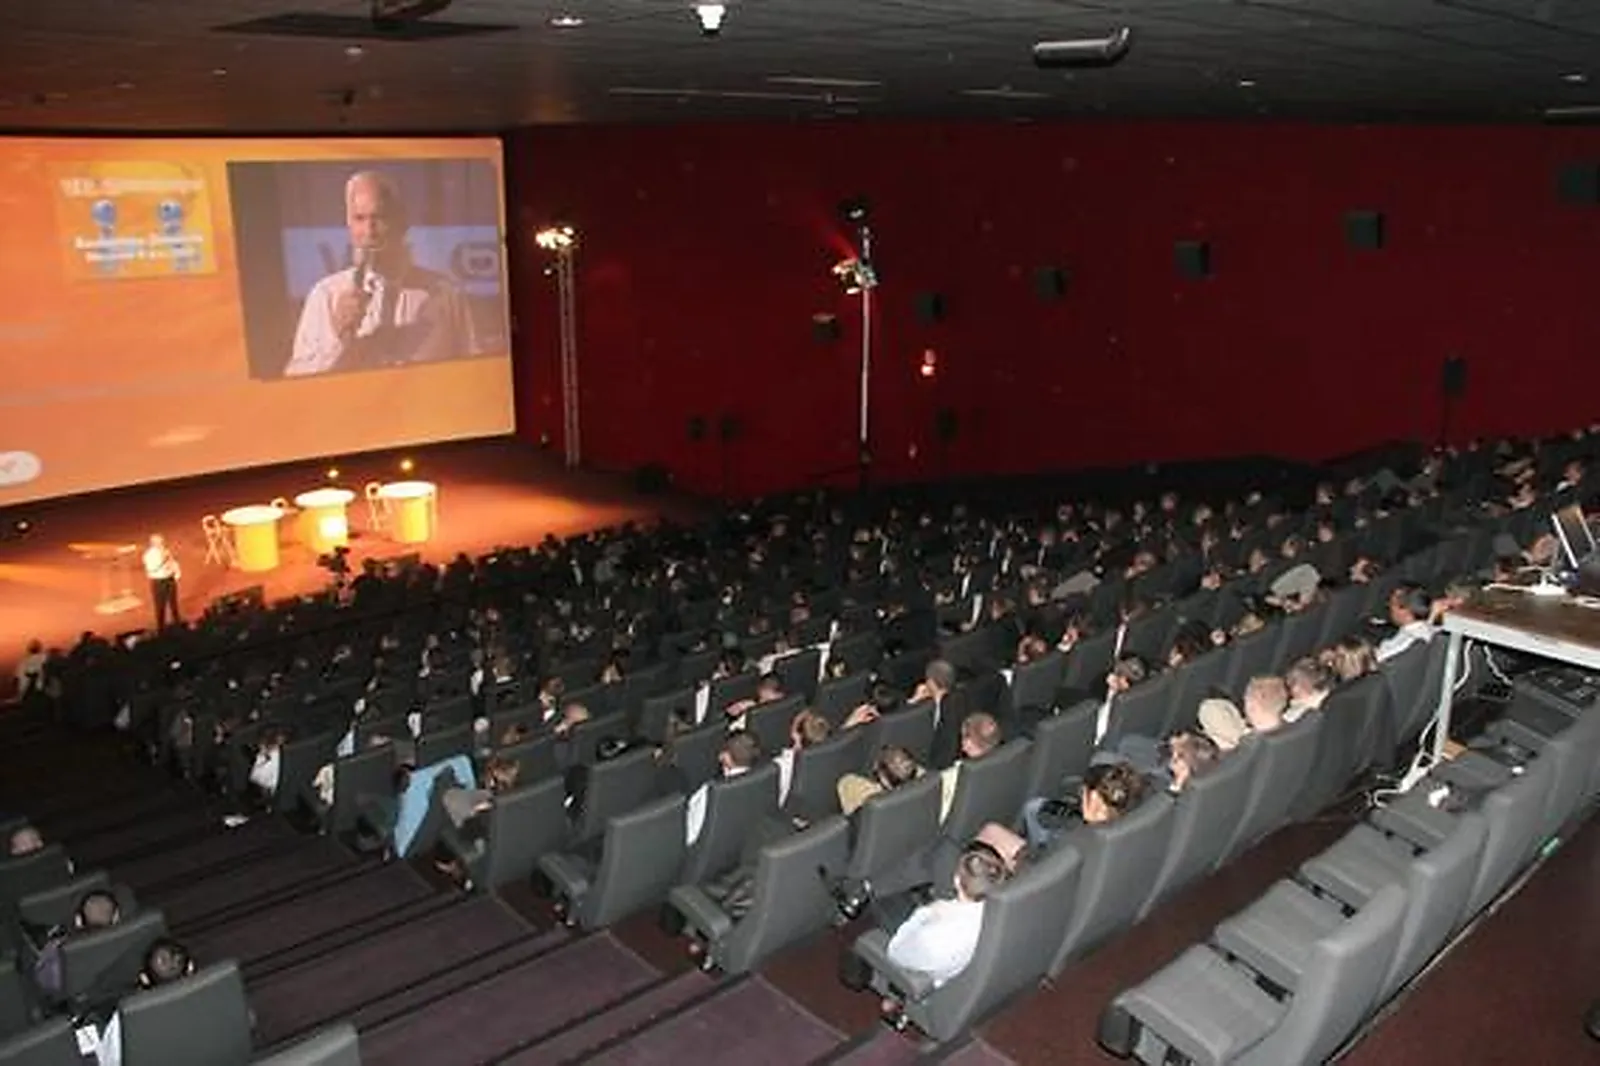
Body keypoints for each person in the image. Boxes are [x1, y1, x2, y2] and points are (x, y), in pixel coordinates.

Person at [285, 170, 480, 377]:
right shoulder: (325, 295)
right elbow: (297, 381)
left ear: (402, 222)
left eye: (379, 217)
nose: (369, 231)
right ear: (348, 224)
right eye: (359, 218)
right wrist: (337, 337)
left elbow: (474, 371)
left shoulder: (447, 294)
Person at [141, 534, 181, 630]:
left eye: (162, 542)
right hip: (158, 582)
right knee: (160, 606)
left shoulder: (166, 551)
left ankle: (177, 624)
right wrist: (163, 559)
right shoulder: (148, 555)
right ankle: (161, 627)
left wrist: (177, 572)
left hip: (169, 579)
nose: (162, 544)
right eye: (160, 542)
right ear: (153, 543)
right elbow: (152, 569)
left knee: (174, 604)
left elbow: (172, 562)